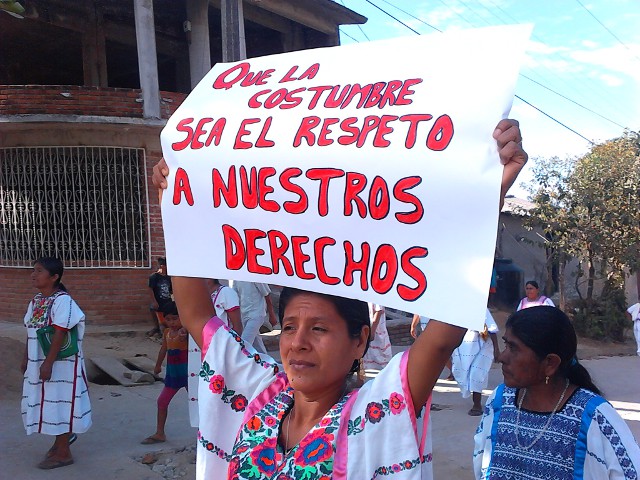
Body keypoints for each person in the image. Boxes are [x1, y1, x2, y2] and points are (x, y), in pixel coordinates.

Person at [153, 118, 529, 478]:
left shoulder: (373, 414)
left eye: (319, 328)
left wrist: (487, 194)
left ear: (359, 341)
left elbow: (444, 333)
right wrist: (175, 204)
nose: (298, 342)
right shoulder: (257, 389)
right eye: (289, 327)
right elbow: (197, 316)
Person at [474, 306, 640, 479]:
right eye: (506, 345)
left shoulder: (595, 418)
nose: (502, 357)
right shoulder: (500, 400)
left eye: (514, 348)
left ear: (550, 363)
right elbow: (481, 461)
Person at [21, 257, 92, 469]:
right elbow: (30, 331)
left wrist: (48, 363)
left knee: (62, 402)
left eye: (39, 271)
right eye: (33, 270)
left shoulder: (63, 301)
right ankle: (60, 442)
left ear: (54, 277)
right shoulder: (36, 301)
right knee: (49, 403)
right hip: (40, 363)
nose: (33, 275)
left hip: (62, 365)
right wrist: (26, 358)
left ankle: (64, 453)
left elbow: (60, 331)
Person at [188, 279, 243, 427]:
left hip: (220, 351)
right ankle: (204, 429)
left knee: (219, 392)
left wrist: (232, 352)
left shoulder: (226, 293)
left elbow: (237, 326)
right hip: (198, 352)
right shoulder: (198, 294)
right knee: (202, 392)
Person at [142, 301, 189, 444]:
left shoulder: (187, 332)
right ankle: (160, 433)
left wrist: (185, 334)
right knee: (162, 401)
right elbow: (163, 349)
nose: (172, 322)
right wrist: (157, 365)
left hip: (188, 374)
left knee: (198, 402)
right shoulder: (167, 333)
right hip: (173, 374)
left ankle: (207, 433)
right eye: (168, 319)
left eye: (175, 318)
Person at [451, 309, 500, 416]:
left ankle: (477, 404)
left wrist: (496, 349)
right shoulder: (456, 308)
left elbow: (492, 328)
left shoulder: (481, 307)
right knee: (463, 372)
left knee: (476, 374)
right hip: (462, 347)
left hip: (482, 346)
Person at [230, 280, 278, 353]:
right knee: (257, 346)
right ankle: (265, 359)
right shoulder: (236, 279)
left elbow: (267, 295)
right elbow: (235, 296)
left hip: (257, 314)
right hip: (244, 314)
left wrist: (272, 315)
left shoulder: (256, 276)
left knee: (244, 344)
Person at [362, 303, 393, 370]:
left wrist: (372, 332)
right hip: (367, 329)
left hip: (376, 331)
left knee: (381, 358)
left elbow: (378, 311)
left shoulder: (376, 300)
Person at [148, 256, 173, 336]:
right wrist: (154, 301)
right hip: (158, 300)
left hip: (167, 300)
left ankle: (164, 328)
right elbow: (150, 289)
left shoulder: (169, 277)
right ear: (163, 266)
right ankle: (156, 327)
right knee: (153, 308)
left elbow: (171, 290)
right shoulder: (154, 277)